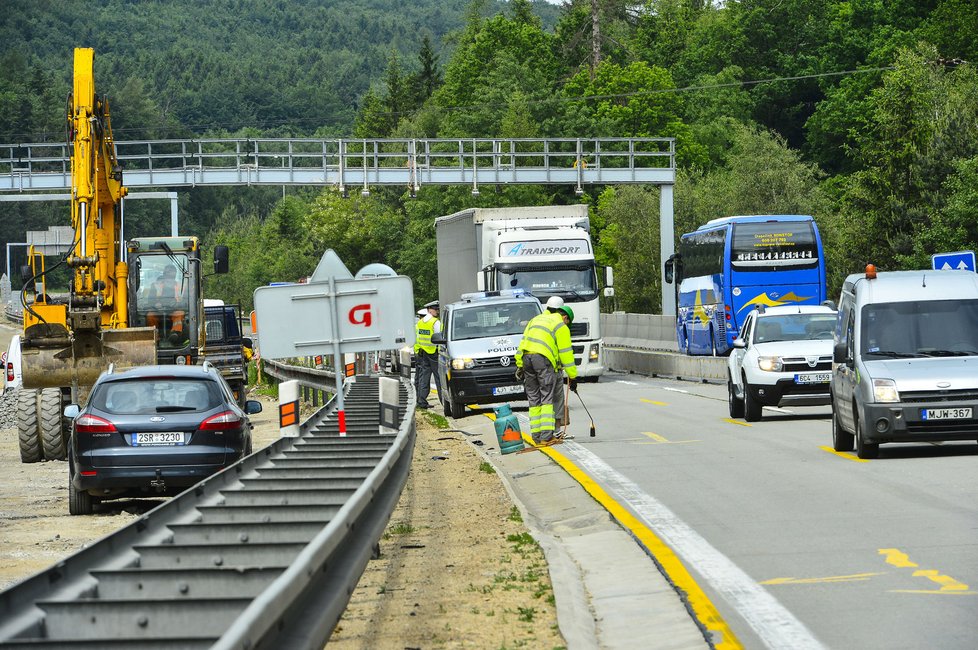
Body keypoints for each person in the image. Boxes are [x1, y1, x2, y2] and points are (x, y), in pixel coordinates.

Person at [515, 301, 578, 446]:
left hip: (526, 360)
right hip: (542, 361)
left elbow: (522, 344)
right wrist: (573, 376)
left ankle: (536, 436)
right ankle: (546, 437)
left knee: (534, 399)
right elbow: (566, 353)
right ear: (565, 318)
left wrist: (519, 365)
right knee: (547, 398)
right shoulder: (560, 326)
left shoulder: (535, 320)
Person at [146, 265, 187, 344]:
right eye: (168, 273)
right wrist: (155, 304)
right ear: (164, 274)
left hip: (173, 310)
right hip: (158, 310)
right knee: (150, 315)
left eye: (172, 274)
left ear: (175, 275)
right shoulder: (155, 285)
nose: (170, 276)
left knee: (180, 313)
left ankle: (175, 333)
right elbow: (150, 300)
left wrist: (176, 304)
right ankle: (155, 337)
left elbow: (185, 301)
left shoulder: (180, 286)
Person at [414, 300, 442, 409]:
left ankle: (421, 401)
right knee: (439, 378)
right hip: (434, 353)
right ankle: (444, 401)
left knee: (424, 377)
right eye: (435, 309)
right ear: (429, 310)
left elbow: (419, 338)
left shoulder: (420, 323)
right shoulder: (435, 322)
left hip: (424, 353)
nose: (437, 311)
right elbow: (440, 338)